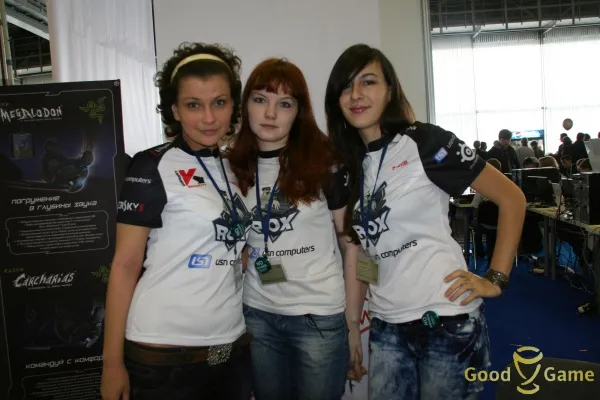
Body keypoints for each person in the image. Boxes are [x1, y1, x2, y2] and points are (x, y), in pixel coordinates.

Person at [324, 44, 527, 400]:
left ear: (390, 90)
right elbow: (359, 252)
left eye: (368, 82)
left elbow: (512, 199)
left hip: (446, 318)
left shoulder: (425, 142)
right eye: (346, 86)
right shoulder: (347, 166)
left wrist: (495, 278)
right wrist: (352, 326)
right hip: (387, 324)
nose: (356, 94)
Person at [100, 42, 253, 400]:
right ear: (175, 110)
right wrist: (111, 364)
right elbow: (125, 264)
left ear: (233, 105)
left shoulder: (233, 169)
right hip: (164, 358)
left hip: (230, 350)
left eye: (219, 102)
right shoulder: (151, 164)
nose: (209, 118)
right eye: (194, 105)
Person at [226, 58, 362, 400]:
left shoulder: (325, 163)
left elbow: (352, 245)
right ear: (245, 105)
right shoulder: (231, 168)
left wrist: (353, 323)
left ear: (298, 112)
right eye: (261, 99)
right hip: (258, 315)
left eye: (285, 104)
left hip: (318, 316)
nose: (271, 113)